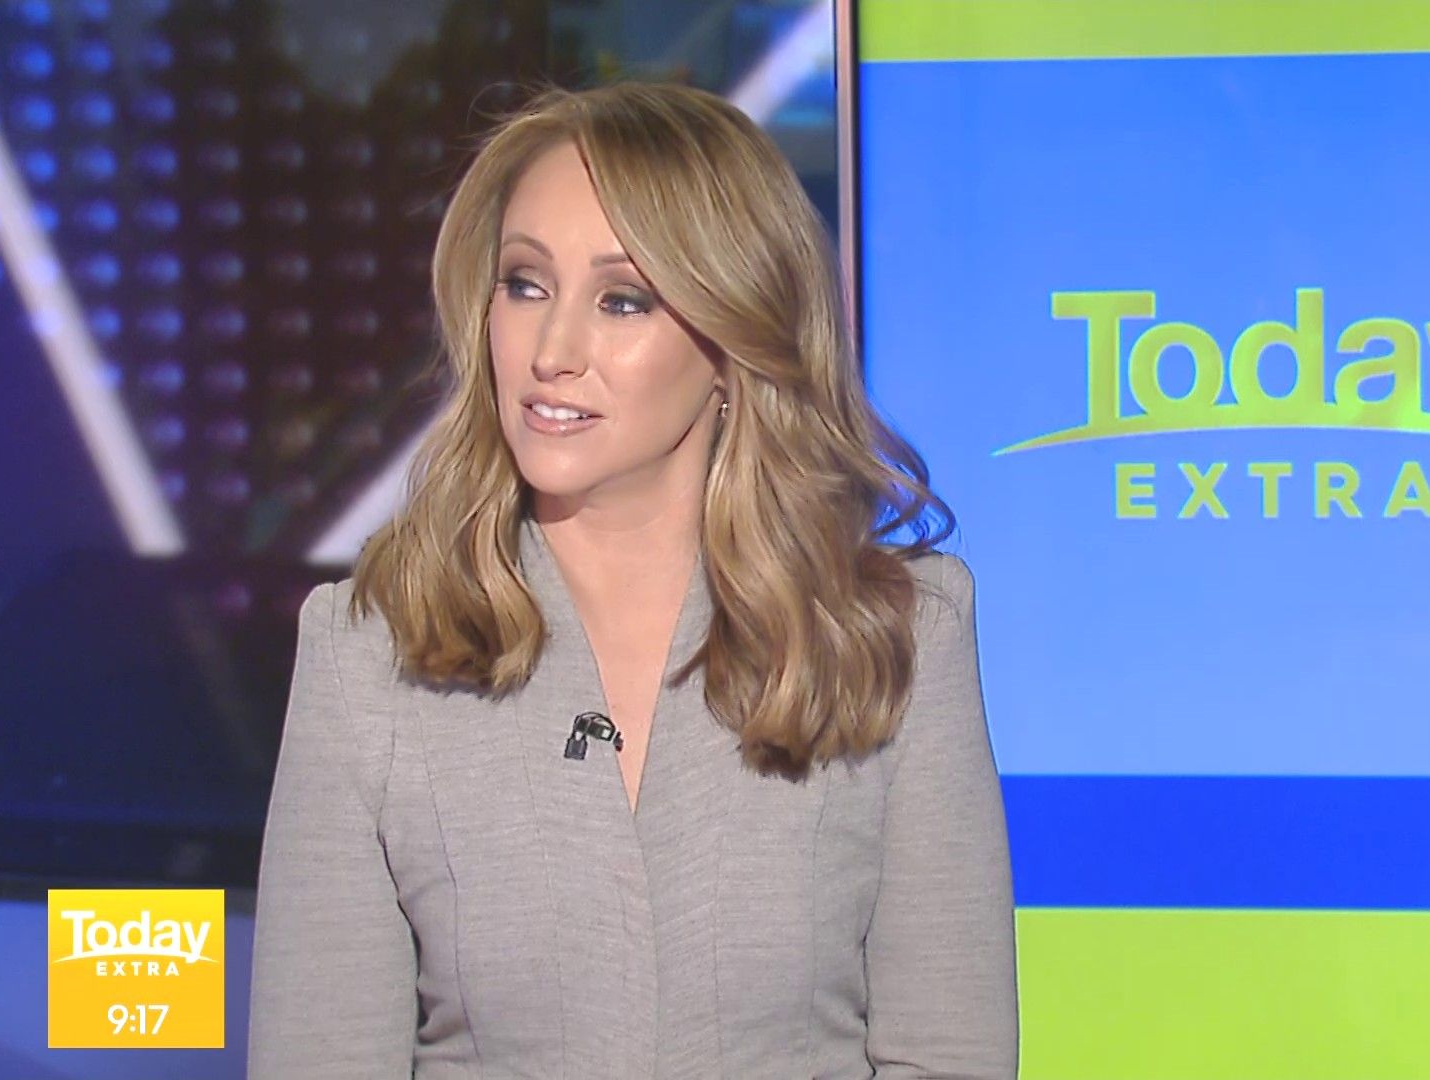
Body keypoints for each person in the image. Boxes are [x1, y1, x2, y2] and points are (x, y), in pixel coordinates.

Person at [246, 80, 1018, 1078]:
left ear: (734, 343)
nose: (552, 352)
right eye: (525, 284)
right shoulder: (367, 655)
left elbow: (948, 1055)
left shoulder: (896, 637)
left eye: (622, 300)